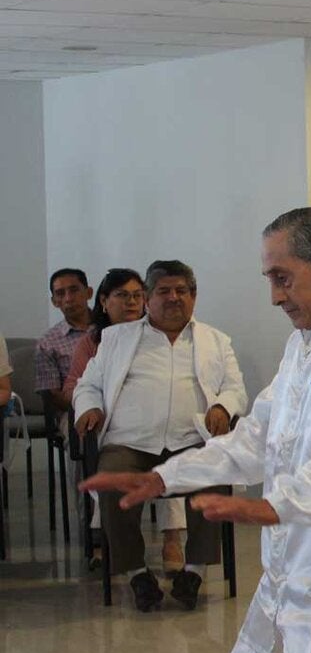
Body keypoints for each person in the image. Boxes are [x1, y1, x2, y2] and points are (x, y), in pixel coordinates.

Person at [82, 207, 311, 653]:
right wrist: (165, 477)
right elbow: (259, 434)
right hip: (294, 567)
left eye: (282, 278)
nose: (274, 297)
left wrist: (276, 506)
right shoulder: (308, 338)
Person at [72, 260, 248, 611]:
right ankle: (137, 574)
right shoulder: (117, 338)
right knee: (112, 480)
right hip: (131, 442)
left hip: (190, 440)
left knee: (214, 473)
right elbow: (87, 385)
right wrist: (88, 407)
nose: (173, 298)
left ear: (194, 297)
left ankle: (193, 572)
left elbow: (235, 387)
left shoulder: (215, 340)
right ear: (148, 299)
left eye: (181, 291)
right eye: (164, 291)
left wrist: (223, 407)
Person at [63, 268, 189, 573]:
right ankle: (106, 542)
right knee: (110, 460)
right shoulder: (95, 341)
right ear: (104, 302)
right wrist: (93, 407)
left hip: (157, 428)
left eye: (137, 296)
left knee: (172, 446)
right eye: (122, 296)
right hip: (109, 426)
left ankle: (172, 539)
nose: (131, 302)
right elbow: (77, 387)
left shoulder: (164, 336)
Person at [36, 268, 94, 413]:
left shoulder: (111, 328)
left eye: (74, 290)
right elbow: (54, 397)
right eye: (60, 294)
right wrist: (88, 403)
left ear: (89, 293)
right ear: (54, 301)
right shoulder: (47, 343)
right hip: (74, 413)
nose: (68, 298)